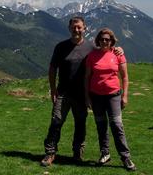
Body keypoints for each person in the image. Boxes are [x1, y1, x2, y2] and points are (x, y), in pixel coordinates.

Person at [41, 17, 123, 167]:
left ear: (84, 28)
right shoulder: (61, 47)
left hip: (81, 95)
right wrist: (53, 90)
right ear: (69, 28)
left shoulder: (92, 47)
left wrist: (118, 49)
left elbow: (106, 51)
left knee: (80, 123)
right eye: (74, 27)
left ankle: (78, 152)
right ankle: (50, 152)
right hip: (63, 93)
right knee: (56, 121)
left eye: (79, 27)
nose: (76, 30)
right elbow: (52, 69)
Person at [85, 28, 136, 171]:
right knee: (101, 126)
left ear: (112, 41)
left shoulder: (118, 54)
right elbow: (87, 78)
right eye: (102, 39)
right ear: (98, 41)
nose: (104, 41)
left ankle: (125, 157)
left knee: (117, 125)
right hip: (96, 96)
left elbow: (125, 77)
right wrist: (87, 97)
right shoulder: (92, 56)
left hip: (113, 95)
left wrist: (125, 96)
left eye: (107, 39)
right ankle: (105, 153)